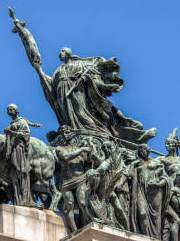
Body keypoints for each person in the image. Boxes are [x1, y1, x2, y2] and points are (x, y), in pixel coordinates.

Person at [10, 9, 156, 145]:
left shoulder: (79, 65)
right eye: (60, 52)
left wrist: (86, 79)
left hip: (77, 92)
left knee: (82, 114)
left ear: (67, 53)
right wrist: (41, 74)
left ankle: (96, 131)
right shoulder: (58, 70)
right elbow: (51, 84)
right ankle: (72, 130)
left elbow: (91, 78)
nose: (60, 54)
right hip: (62, 95)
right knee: (68, 117)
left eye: (62, 52)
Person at [53, 126, 94, 231]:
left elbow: (89, 161)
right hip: (66, 182)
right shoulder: (59, 149)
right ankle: (74, 230)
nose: (64, 135)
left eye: (67, 132)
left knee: (83, 203)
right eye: (62, 133)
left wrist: (91, 149)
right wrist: (83, 149)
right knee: (69, 206)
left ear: (72, 134)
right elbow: (66, 157)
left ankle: (91, 223)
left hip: (80, 179)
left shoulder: (80, 148)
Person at [3, 104, 41, 208]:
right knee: (15, 177)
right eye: (8, 110)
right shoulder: (12, 123)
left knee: (22, 173)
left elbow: (25, 134)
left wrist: (10, 132)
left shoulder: (22, 121)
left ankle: (27, 200)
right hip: (13, 151)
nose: (9, 111)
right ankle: (19, 201)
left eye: (11, 109)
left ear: (16, 111)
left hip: (20, 150)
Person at [130, 145, 171, 239]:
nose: (144, 152)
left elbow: (165, 178)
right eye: (141, 151)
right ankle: (145, 238)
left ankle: (155, 238)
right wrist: (132, 165)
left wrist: (158, 184)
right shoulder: (137, 163)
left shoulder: (155, 162)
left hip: (155, 193)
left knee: (156, 218)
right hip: (141, 191)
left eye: (145, 150)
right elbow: (129, 175)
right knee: (142, 213)